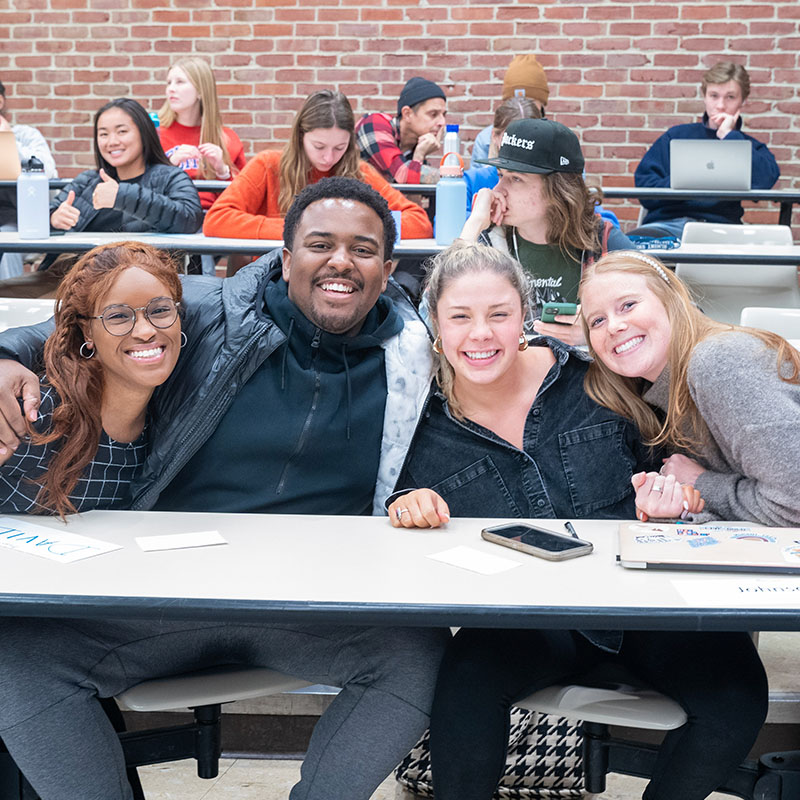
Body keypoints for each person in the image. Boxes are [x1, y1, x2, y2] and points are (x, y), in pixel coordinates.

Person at [0, 177, 448, 800]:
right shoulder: (211, 318)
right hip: (172, 595)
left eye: (363, 248)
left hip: (313, 605)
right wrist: (0, 357)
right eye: (320, 244)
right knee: (17, 658)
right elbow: (73, 328)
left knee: (419, 653)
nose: (341, 260)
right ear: (286, 259)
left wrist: (417, 497)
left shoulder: (419, 357)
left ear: (387, 268)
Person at [387, 242, 767, 800]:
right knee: (465, 686)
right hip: (527, 621)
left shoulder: (600, 383)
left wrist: (677, 501)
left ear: (525, 317)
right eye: (460, 317)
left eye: (499, 314)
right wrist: (405, 505)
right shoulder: (415, 430)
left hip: (645, 606)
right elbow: (392, 517)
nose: (482, 334)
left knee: (737, 698)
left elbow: (684, 471)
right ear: (435, 325)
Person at [579, 249, 800, 527]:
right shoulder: (657, 389)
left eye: (628, 305)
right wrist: (680, 508)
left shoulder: (718, 362)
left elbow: (794, 503)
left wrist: (702, 484)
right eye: (597, 321)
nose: (614, 326)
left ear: (671, 300)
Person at [460, 117, 631, 345]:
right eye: (501, 175)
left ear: (556, 190)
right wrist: (472, 227)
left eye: (516, 179)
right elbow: (432, 316)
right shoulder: (488, 240)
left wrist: (596, 330)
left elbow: (672, 309)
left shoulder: (602, 240)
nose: (498, 189)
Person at [203, 89, 432, 253]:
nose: (328, 158)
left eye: (339, 148)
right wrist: (300, 230)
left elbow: (418, 223)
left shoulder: (359, 171)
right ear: (301, 136)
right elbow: (217, 220)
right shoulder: (268, 164)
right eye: (319, 146)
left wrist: (344, 233)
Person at [632, 61, 780, 238]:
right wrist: (684, 181)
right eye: (714, 96)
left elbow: (765, 182)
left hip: (722, 230)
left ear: (743, 101)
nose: (721, 105)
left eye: (730, 97)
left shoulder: (748, 146)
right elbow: (645, 191)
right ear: (704, 96)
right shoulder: (676, 137)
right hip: (669, 226)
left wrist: (729, 136)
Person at [157, 56, 246, 211]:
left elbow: (244, 197)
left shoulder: (227, 139)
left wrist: (222, 170)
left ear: (200, 91)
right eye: (169, 82)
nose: (171, 88)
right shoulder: (155, 134)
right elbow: (142, 186)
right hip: (168, 216)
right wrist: (170, 163)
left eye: (180, 82)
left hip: (213, 221)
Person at [0, 79, 58, 279]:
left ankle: (7, 305)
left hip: (20, 220)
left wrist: (7, 139)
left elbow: (47, 172)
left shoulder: (26, 136)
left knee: (5, 242)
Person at [356, 76, 447, 184]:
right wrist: (418, 157)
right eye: (433, 114)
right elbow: (403, 176)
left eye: (444, 115)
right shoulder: (374, 124)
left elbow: (413, 198)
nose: (442, 122)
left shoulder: (415, 147)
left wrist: (419, 156)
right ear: (407, 114)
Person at [463, 96, 542, 213]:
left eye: (528, 140)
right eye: (511, 138)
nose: (519, 146)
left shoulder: (550, 180)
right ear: (494, 136)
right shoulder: (471, 181)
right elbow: (447, 222)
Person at [471, 54, 549, 163]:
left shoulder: (559, 140)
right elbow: (479, 177)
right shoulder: (485, 139)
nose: (522, 107)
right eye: (515, 101)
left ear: (542, 103)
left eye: (529, 102)